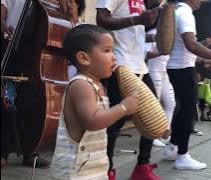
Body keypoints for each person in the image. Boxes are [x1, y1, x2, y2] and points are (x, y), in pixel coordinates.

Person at [51, 24, 139, 179]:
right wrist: (123, 107)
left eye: (112, 50)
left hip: (93, 167)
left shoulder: (97, 85)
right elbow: (92, 121)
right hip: (76, 171)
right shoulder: (81, 85)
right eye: (106, 50)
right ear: (84, 58)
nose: (114, 56)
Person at [162, 0, 211, 171]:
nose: (202, 2)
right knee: (187, 114)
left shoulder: (177, 12)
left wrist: (204, 60)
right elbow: (191, 45)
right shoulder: (185, 13)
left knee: (181, 113)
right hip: (182, 70)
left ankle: (172, 148)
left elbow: (184, 48)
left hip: (176, 68)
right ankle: (182, 156)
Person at [96, 0, 161, 179]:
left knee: (153, 115)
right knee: (115, 121)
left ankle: (142, 167)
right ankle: (106, 169)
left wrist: (151, 32)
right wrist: (138, 20)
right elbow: (101, 19)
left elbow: (133, 32)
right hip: (120, 64)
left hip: (140, 65)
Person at [1, 0, 50, 169]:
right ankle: (3, 151)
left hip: (35, 48)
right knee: (6, 98)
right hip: (10, 43)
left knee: (32, 100)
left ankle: (31, 150)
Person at [145, 26, 176, 147]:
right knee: (154, 105)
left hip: (163, 72)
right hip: (153, 71)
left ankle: (164, 133)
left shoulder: (168, 34)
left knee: (171, 103)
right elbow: (145, 53)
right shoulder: (153, 33)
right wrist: (160, 52)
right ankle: (153, 136)